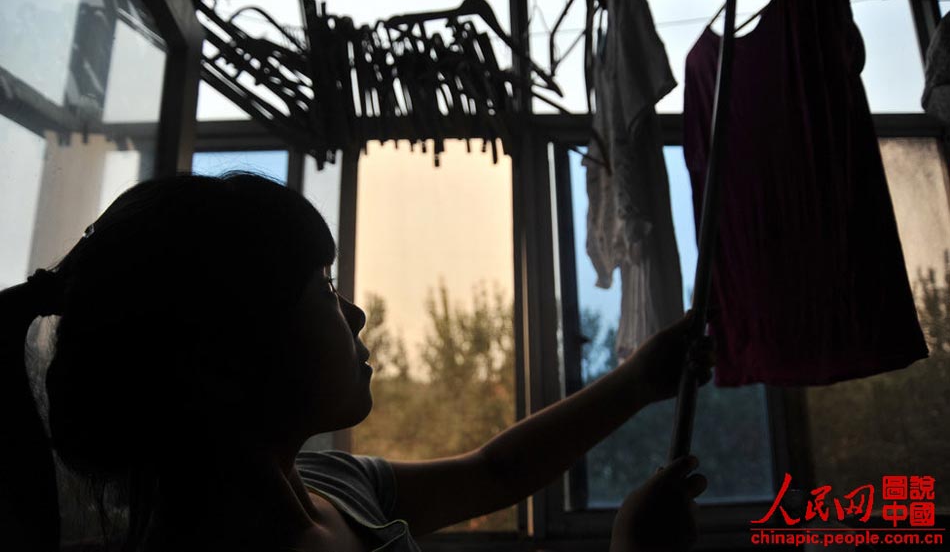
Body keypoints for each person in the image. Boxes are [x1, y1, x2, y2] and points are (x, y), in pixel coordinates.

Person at [0, 172, 712, 552]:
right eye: (323, 288)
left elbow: (499, 471)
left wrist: (641, 379)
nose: (357, 313)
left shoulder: (327, 482)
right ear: (221, 361)